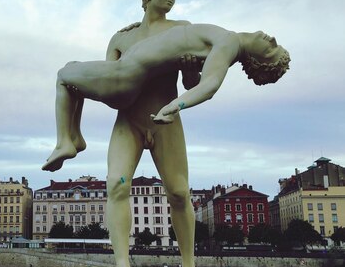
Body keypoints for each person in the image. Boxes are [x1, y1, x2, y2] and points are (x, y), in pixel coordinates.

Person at [43, 0, 289, 267]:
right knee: (116, 186)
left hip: (165, 121)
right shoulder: (120, 38)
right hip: (128, 120)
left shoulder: (183, 29)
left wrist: (188, 70)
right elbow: (111, 83)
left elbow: (193, 84)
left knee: (179, 193)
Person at [43, 23, 289, 166]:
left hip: (124, 76)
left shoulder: (229, 44)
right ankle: (74, 137)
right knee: (72, 66)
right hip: (124, 75)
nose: (273, 39)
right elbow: (197, 80)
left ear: (257, 62)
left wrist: (175, 106)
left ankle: (64, 141)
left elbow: (210, 84)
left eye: (272, 49)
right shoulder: (226, 41)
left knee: (63, 76)